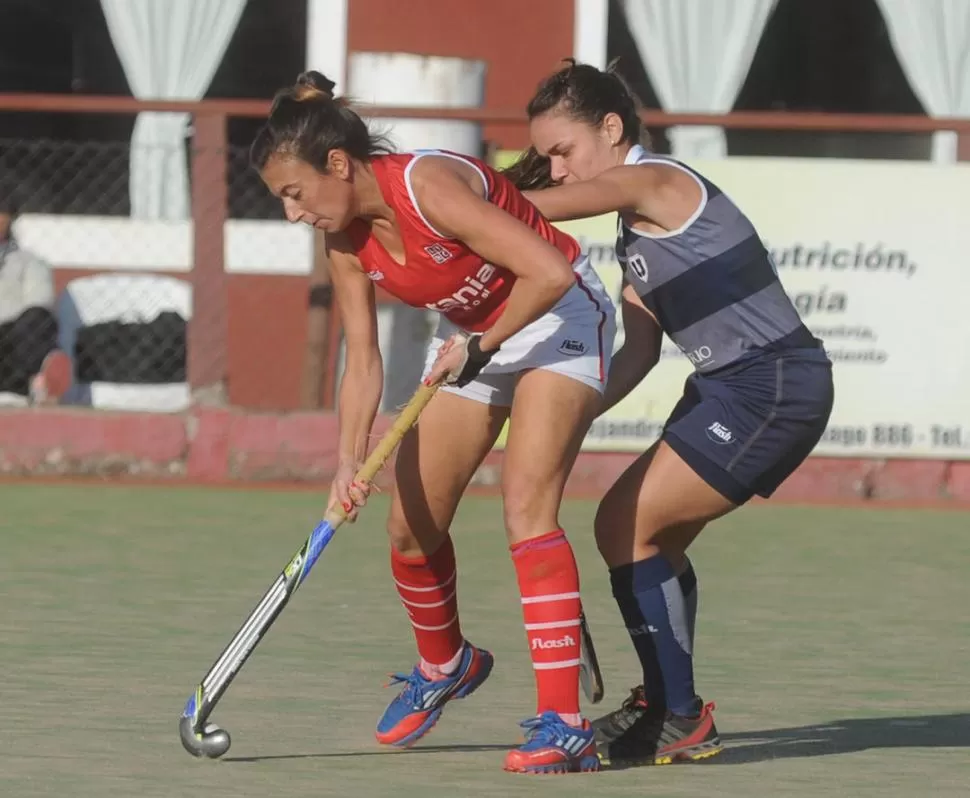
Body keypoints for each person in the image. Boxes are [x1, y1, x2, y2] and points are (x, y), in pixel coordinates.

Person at [251, 71, 616, 775]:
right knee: (410, 528)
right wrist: (346, 463)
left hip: (557, 318)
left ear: (336, 164)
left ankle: (564, 725)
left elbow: (548, 273)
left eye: (294, 194)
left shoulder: (429, 187)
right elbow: (363, 361)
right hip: (475, 335)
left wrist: (479, 347)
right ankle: (445, 661)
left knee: (526, 512)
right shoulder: (345, 242)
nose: (293, 213)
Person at [504, 60, 835, 767]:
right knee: (643, 537)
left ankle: (677, 713)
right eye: (549, 157)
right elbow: (637, 355)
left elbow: (553, 206)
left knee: (625, 524)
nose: (558, 169)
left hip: (772, 384)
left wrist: (465, 198)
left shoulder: (659, 181)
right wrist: (570, 421)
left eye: (563, 151)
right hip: (728, 389)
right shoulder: (635, 234)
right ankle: (669, 707)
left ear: (612, 128)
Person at [0, 196, 72, 404]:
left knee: (37, 319)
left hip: (11, 339)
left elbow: (40, 303)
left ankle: (32, 384)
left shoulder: (30, 262)